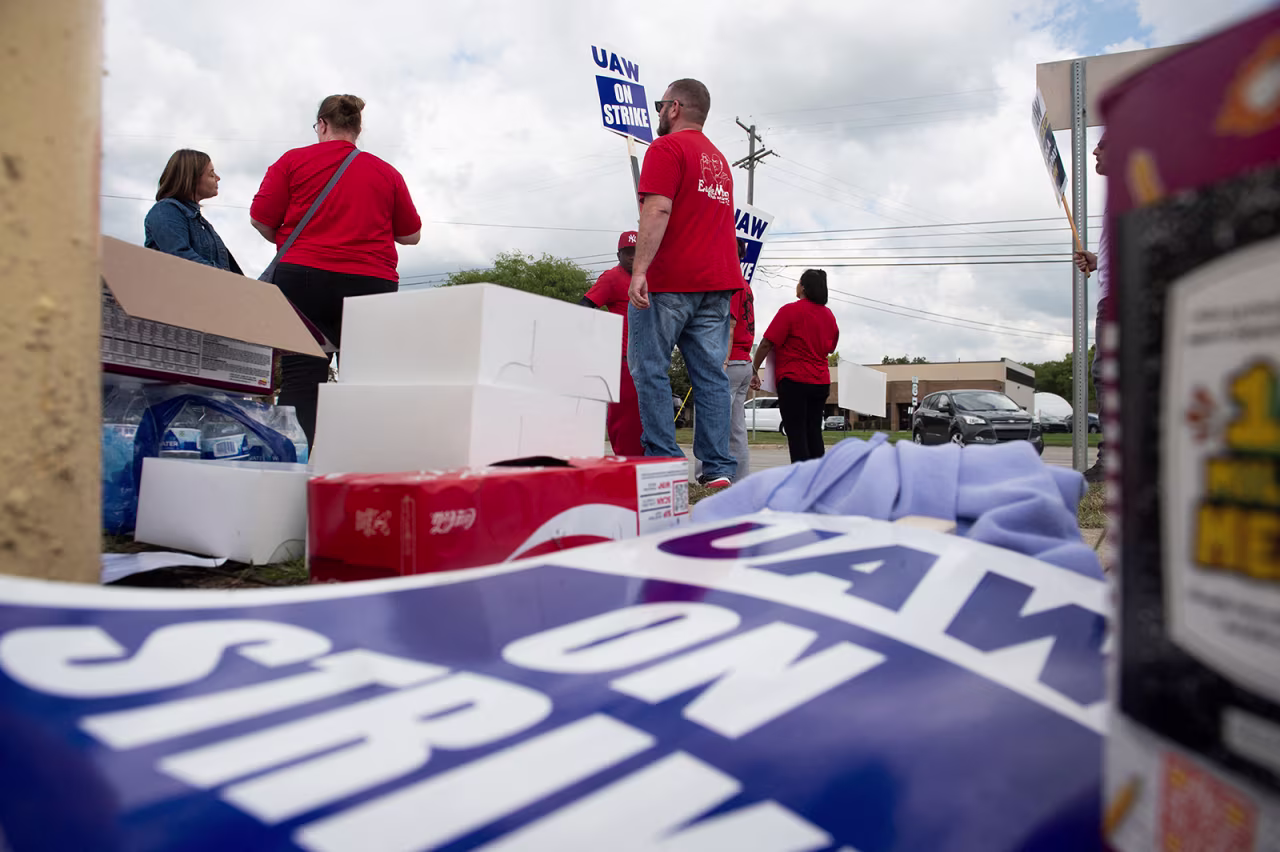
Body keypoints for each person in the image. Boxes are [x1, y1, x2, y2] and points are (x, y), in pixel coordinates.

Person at [250, 94, 422, 445]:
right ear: (358, 130)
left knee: (301, 376)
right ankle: (362, 466)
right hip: (371, 282)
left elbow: (260, 219)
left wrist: (292, 241)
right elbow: (411, 235)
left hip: (302, 276)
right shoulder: (387, 173)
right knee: (363, 378)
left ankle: (296, 468)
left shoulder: (291, 161)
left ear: (323, 125)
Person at [628, 78, 741, 489]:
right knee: (710, 376)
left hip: (671, 279)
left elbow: (658, 209)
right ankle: (717, 470)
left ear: (674, 108)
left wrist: (639, 270)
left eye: (661, 105)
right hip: (717, 282)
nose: (659, 112)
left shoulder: (666, 148)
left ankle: (665, 462)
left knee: (649, 368)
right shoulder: (719, 160)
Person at [751, 268, 839, 464]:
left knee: (797, 433)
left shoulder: (790, 311)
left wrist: (754, 369)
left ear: (804, 288)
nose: (796, 285)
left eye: (798, 282)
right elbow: (831, 347)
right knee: (814, 431)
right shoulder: (829, 315)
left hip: (794, 381)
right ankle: (819, 478)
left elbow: (766, 343)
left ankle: (801, 481)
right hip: (820, 382)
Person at [580, 231, 644, 456]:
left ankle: (645, 462)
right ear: (619, 254)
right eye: (628, 253)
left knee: (646, 416)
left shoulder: (649, 277)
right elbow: (585, 306)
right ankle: (626, 461)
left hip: (650, 358)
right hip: (623, 360)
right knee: (625, 418)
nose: (632, 257)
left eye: (637, 252)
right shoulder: (612, 277)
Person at [1073, 132, 1108, 484]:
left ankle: (1113, 461)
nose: (1095, 149)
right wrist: (1099, 260)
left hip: (1120, 300)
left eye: (1106, 144)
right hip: (1113, 295)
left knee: (1108, 375)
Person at [144, 149, 242, 273]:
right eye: (211, 174)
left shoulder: (202, 223)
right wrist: (227, 279)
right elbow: (180, 257)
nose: (218, 178)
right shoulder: (165, 210)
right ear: (192, 178)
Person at [726, 239, 755, 480]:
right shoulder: (745, 284)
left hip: (731, 361)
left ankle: (711, 476)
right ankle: (740, 479)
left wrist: (721, 360)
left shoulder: (731, 281)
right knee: (737, 429)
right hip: (744, 361)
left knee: (713, 424)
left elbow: (731, 323)